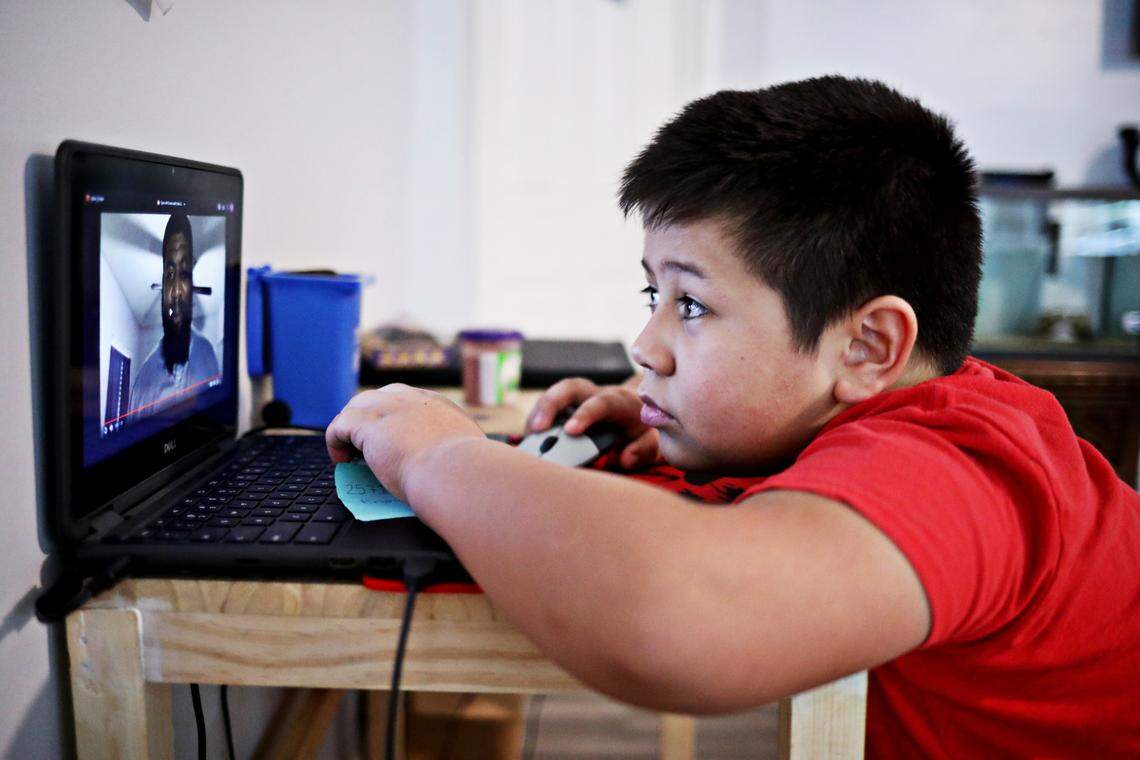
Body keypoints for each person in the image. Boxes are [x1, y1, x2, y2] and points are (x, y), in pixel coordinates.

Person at [326, 77, 1140, 756]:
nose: (646, 345)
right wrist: (693, 426)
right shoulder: (915, 405)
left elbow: (678, 621)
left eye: (692, 304)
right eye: (655, 295)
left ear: (868, 345)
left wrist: (438, 457)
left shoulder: (956, 464)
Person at [131, 213, 219, 418]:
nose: (177, 291)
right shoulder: (143, 382)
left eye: (185, 273)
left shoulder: (207, 354)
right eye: (169, 274)